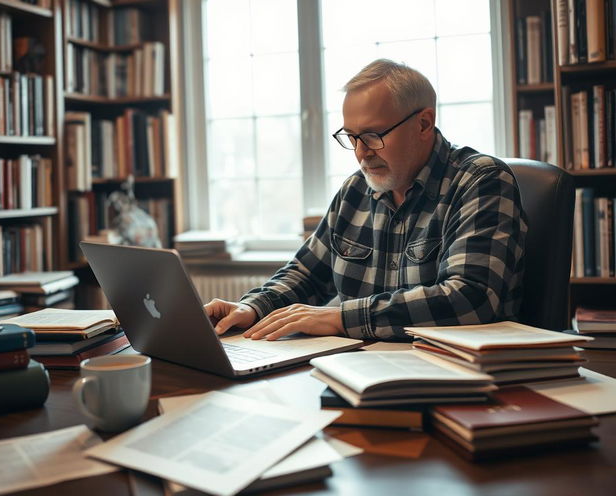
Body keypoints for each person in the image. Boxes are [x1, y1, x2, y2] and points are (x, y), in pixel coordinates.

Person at [205, 59, 527, 341]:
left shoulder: (480, 181)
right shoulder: (355, 191)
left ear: (424, 124)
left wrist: (339, 317)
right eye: (351, 137)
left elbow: (470, 298)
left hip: (458, 378)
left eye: (373, 135)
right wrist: (252, 307)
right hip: (362, 367)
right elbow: (306, 272)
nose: (361, 152)